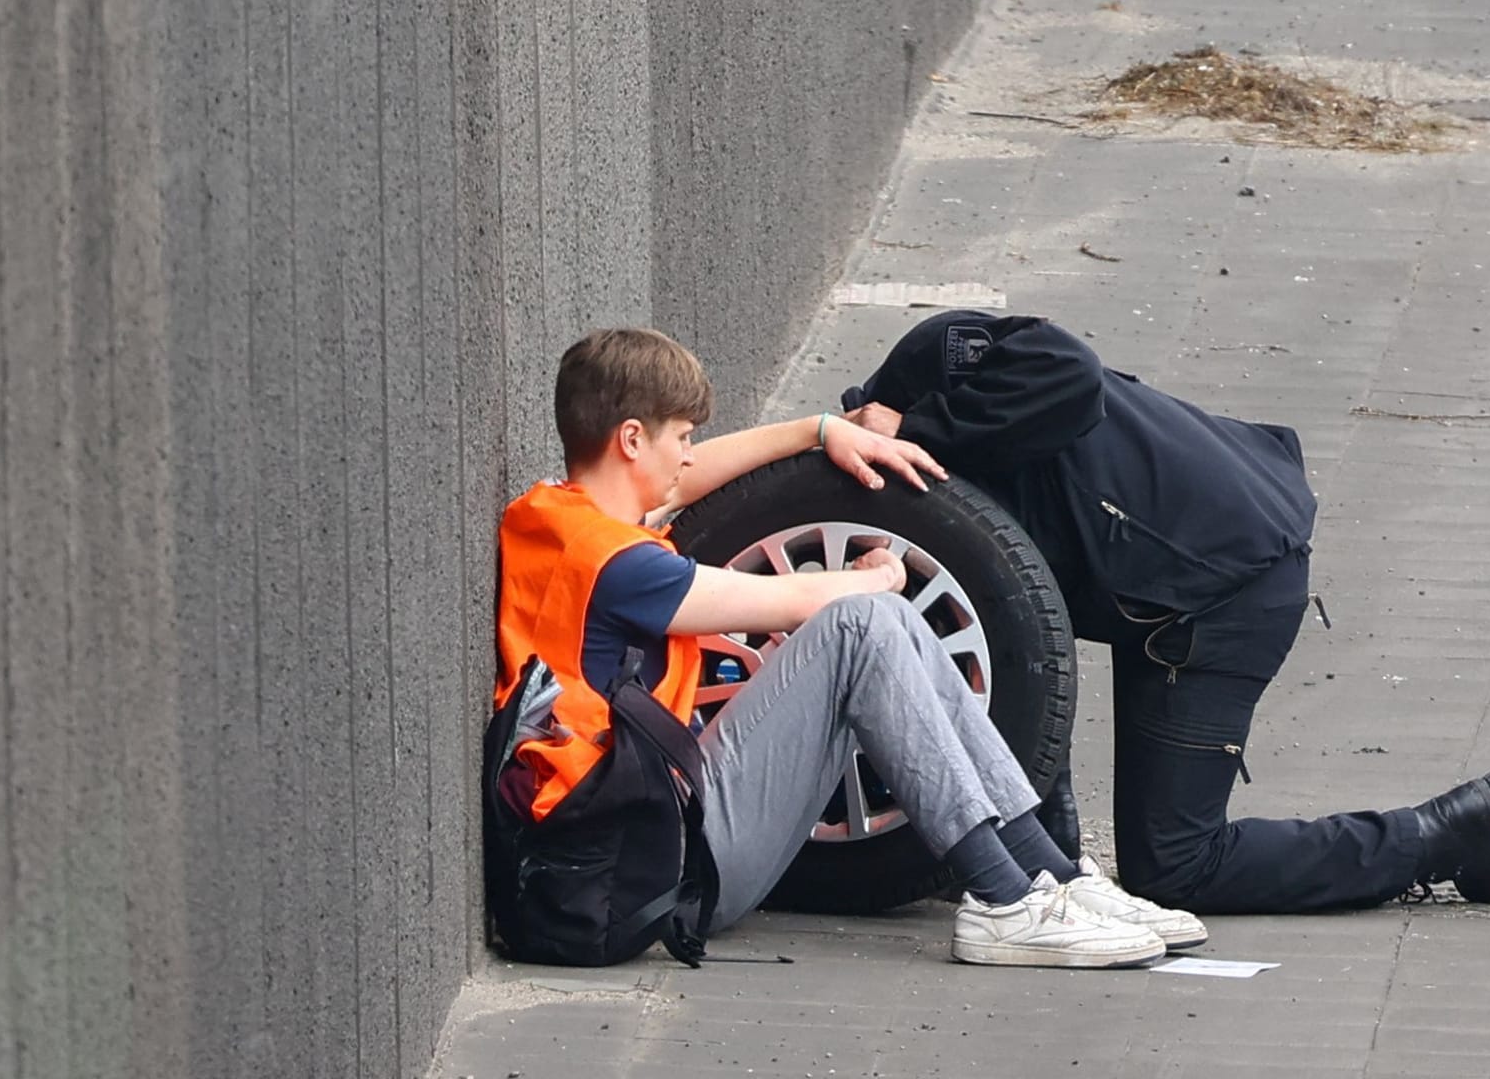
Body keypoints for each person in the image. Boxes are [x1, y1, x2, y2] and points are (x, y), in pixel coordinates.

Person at [493, 327, 1209, 968]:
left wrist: (819, 429)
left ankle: (1049, 874)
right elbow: (795, 602)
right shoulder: (625, 567)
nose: (689, 455)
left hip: (636, 833)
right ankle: (1001, 898)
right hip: (657, 869)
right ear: (629, 440)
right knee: (862, 623)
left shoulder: (558, 516)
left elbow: (689, 477)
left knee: (871, 621)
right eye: (680, 436)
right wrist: (881, 575)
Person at [838, 311, 1490, 914]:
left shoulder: (931, 363)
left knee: (1175, 865)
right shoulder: (930, 514)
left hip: (1229, 586)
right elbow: (1023, 646)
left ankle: (1442, 835)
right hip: (1178, 559)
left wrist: (919, 428)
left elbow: (1068, 369)